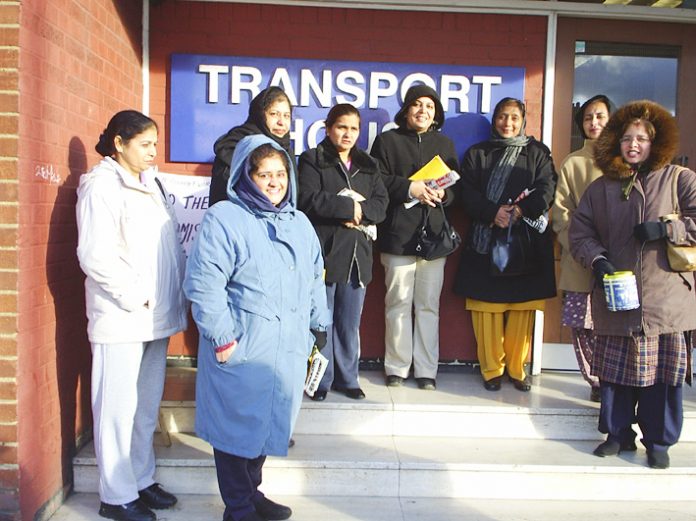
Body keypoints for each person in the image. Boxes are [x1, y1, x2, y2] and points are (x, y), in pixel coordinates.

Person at [184, 134, 331, 521]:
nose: (274, 182)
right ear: (246, 176)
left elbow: (315, 275)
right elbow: (204, 283)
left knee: (268, 422)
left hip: (287, 346)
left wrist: (320, 325)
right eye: (264, 174)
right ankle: (237, 506)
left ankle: (252, 492)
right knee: (235, 430)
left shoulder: (299, 222)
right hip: (244, 342)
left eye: (280, 173)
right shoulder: (225, 218)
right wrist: (223, 338)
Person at [569, 100, 696, 469]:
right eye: (627, 138)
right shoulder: (602, 187)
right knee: (616, 373)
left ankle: (659, 442)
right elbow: (580, 232)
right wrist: (598, 260)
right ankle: (617, 434)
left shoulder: (679, 178)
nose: (634, 145)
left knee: (662, 377)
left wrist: (667, 229)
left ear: (656, 142)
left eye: (642, 138)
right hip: (617, 296)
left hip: (666, 299)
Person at [76, 110, 187, 521]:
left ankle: (140, 479)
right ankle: (116, 494)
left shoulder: (149, 182)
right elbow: (95, 255)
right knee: (116, 409)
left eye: (154, 144)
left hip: (154, 318)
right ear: (119, 143)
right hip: (122, 317)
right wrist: (136, 297)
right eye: (145, 144)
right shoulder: (101, 186)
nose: (152, 152)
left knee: (144, 405)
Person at [454, 97, 557, 392]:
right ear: (494, 119)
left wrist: (522, 211)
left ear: (523, 120)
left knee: (521, 309)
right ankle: (491, 369)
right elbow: (466, 192)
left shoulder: (537, 153)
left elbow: (548, 187)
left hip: (524, 242)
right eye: (502, 116)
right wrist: (492, 212)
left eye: (514, 117)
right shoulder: (478, 153)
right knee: (487, 309)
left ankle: (516, 367)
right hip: (485, 240)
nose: (507, 123)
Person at [370, 85, 459, 391]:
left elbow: (455, 188)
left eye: (430, 107)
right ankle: (396, 367)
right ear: (406, 109)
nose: (423, 111)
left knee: (428, 306)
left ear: (436, 113)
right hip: (397, 235)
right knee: (397, 303)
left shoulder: (444, 144)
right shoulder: (387, 141)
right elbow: (376, 181)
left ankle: (426, 370)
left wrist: (444, 194)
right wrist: (411, 188)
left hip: (434, 237)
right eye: (417, 105)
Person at [298, 104, 388, 401]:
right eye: (341, 127)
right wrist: (349, 208)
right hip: (325, 253)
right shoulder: (313, 159)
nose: (347, 134)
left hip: (357, 257)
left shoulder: (368, 164)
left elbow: (381, 205)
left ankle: (348, 379)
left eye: (353, 129)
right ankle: (320, 382)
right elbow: (309, 199)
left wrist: (361, 212)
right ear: (328, 128)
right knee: (321, 323)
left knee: (349, 322)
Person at [552, 95, 612, 403]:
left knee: (614, 323)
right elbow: (560, 211)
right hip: (580, 257)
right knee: (582, 324)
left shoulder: (627, 160)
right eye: (588, 117)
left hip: (619, 262)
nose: (594, 123)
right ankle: (596, 381)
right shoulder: (573, 162)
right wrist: (578, 244)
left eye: (600, 116)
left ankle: (616, 380)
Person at [209, 86, 292, 206]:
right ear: (260, 116)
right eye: (274, 114)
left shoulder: (284, 149)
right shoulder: (235, 148)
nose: (281, 122)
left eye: (286, 116)